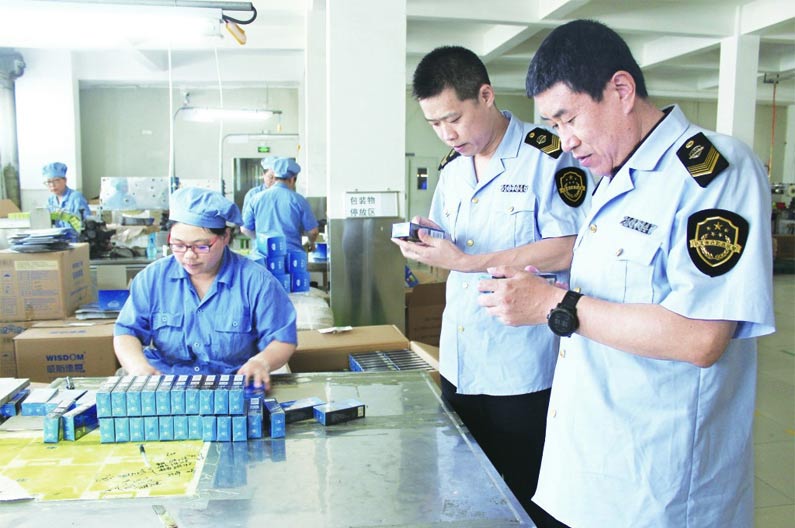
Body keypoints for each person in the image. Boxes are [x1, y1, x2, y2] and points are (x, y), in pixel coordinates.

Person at [478, 19, 775, 527]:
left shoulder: (711, 173)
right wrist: (548, 290)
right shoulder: (611, 176)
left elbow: (702, 336)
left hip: (658, 487)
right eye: (553, 125)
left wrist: (554, 305)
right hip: (586, 467)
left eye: (569, 118)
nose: (565, 141)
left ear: (620, 89)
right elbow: (612, 298)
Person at [393, 45, 591, 526]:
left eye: (453, 119)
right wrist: (428, 240)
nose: (447, 133)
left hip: (521, 368)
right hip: (461, 360)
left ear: (486, 95)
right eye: (434, 124)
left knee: (527, 499)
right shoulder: (453, 168)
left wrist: (467, 262)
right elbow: (454, 243)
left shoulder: (549, 156)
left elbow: (570, 247)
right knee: (465, 495)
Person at [114, 187, 297, 390]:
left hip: (231, 386)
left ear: (225, 237)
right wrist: (137, 366)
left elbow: (282, 339)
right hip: (166, 386)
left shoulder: (257, 282)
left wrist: (261, 362)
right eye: (178, 245)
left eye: (201, 246)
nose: (189, 256)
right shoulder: (153, 278)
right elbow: (127, 331)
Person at [241, 157, 319, 254]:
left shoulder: (255, 198)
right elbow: (313, 232)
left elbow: (245, 229)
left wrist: (263, 242)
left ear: (275, 177)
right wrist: (311, 242)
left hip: (263, 254)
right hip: (291, 256)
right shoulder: (299, 200)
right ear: (292, 179)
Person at [42, 162, 90, 229]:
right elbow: (45, 220)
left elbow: (85, 224)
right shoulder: (50, 200)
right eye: (49, 182)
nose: (52, 185)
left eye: (56, 180)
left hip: (75, 235)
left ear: (65, 180)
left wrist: (66, 217)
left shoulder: (76, 197)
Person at [241, 156, 276, 220]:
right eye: (271, 177)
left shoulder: (285, 194)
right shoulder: (253, 194)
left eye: (277, 178)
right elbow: (246, 219)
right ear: (263, 175)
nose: (274, 181)